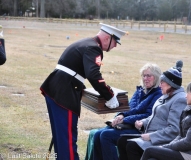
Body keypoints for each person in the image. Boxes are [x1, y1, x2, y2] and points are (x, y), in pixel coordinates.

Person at [40, 23, 127, 160]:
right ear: (107, 38)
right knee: (67, 138)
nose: (115, 46)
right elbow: (93, 75)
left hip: (58, 89)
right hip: (64, 93)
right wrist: (109, 96)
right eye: (115, 42)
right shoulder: (94, 48)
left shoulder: (87, 43)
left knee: (61, 137)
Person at [117, 60, 187, 160]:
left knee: (132, 146)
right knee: (122, 141)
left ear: (171, 84)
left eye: (162, 82)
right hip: (151, 135)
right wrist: (143, 122)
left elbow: (174, 129)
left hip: (163, 140)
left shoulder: (179, 100)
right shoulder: (166, 95)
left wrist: (151, 136)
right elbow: (155, 116)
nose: (159, 85)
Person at [92, 63, 163, 160]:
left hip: (140, 128)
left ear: (156, 77)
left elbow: (148, 115)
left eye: (149, 76)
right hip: (128, 124)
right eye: (144, 75)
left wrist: (125, 119)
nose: (145, 78)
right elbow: (129, 108)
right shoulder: (140, 90)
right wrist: (121, 115)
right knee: (97, 134)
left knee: (106, 136)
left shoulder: (158, 94)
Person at [140, 80, 191, 160]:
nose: (185, 96)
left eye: (188, 93)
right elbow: (180, 135)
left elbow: (188, 143)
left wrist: (165, 147)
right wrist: (167, 146)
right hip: (186, 152)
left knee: (149, 151)